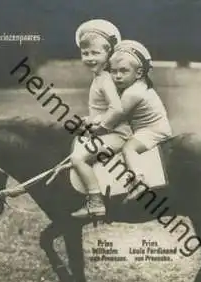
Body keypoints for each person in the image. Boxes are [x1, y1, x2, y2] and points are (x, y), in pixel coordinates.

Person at [69, 19, 132, 218]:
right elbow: (103, 109)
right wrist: (89, 119)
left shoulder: (105, 79)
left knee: (78, 158)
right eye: (85, 53)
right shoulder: (99, 77)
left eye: (95, 53)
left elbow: (117, 109)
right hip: (109, 129)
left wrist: (100, 126)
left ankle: (95, 201)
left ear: (109, 54)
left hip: (118, 134)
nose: (89, 57)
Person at [108, 40, 172, 201]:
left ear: (138, 73)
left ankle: (138, 182)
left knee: (129, 148)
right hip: (149, 128)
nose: (117, 76)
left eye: (123, 71)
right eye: (113, 71)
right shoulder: (137, 86)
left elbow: (113, 118)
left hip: (152, 131)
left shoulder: (132, 93)